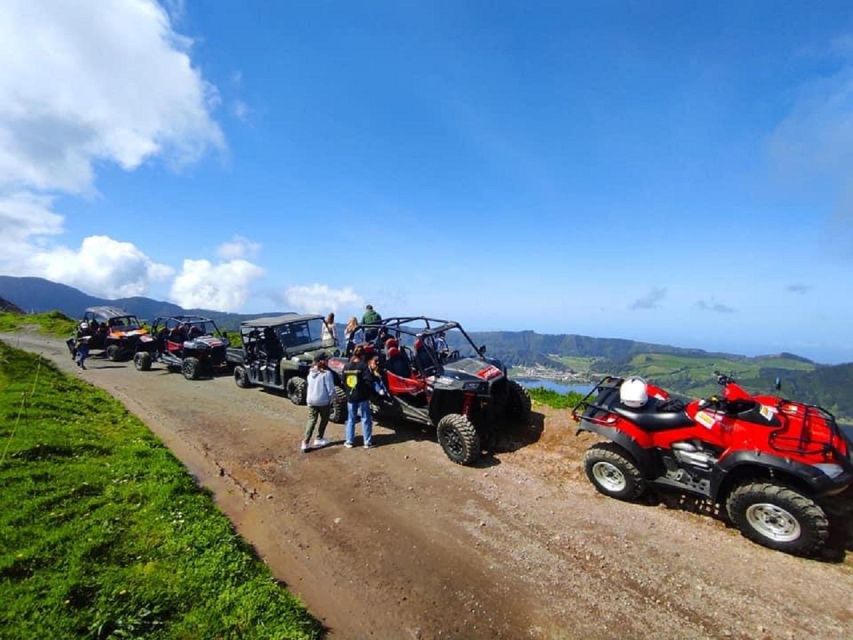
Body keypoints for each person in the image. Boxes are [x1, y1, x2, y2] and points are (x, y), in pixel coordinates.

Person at [302, 352, 335, 452]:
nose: (328, 361)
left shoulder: (310, 372)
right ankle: (319, 438)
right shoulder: (327, 373)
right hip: (323, 401)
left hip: (311, 400)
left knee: (311, 420)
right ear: (322, 361)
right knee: (324, 419)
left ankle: (305, 442)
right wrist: (334, 399)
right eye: (327, 360)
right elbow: (331, 390)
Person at [343, 346, 375, 448]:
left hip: (351, 397)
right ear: (362, 355)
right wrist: (368, 392)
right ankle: (367, 442)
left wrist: (348, 392)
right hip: (362, 397)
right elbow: (369, 381)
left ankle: (349, 441)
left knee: (351, 419)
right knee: (365, 418)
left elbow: (343, 380)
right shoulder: (363, 366)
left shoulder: (346, 366)